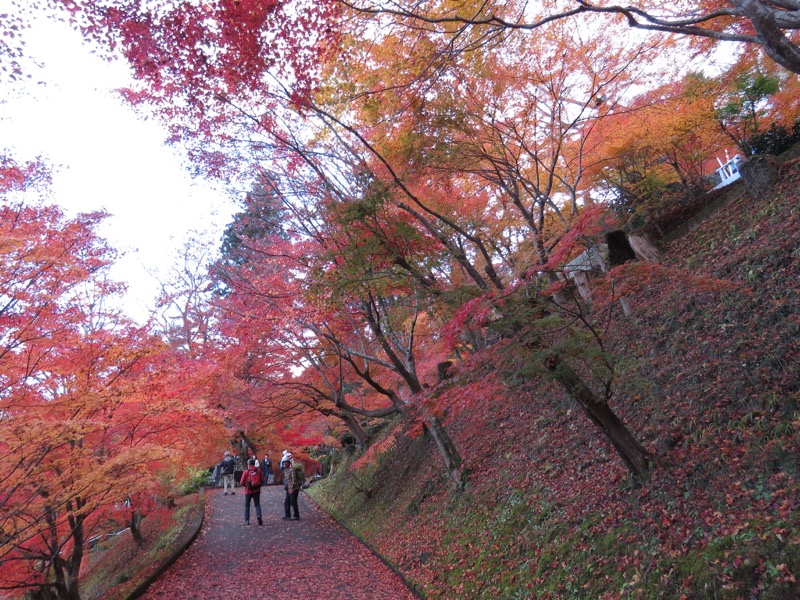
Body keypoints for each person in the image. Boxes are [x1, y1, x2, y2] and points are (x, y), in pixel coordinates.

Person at [240, 458, 264, 526]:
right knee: (257, 504)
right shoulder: (258, 471)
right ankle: (259, 515)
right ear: (254, 464)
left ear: (248, 464)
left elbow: (241, 482)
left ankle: (247, 520)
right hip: (256, 490)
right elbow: (262, 479)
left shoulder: (246, 472)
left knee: (247, 506)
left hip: (248, 491)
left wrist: (246, 485)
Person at [282, 455, 303, 520]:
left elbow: (294, 480)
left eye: (286, 462)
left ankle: (296, 516)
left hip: (294, 489)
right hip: (289, 489)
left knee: (293, 502)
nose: (285, 463)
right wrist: (286, 487)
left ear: (289, 463)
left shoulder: (292, 470)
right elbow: (286, 480)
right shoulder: (286, 470)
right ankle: (287, 515)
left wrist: (292, 489)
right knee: (287, 502)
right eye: (284, 462)